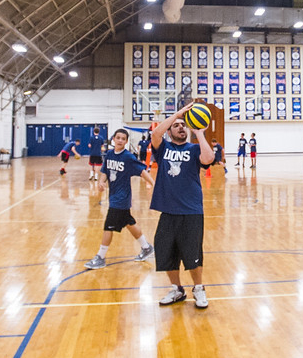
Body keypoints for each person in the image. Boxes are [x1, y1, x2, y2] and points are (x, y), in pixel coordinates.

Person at [148, 103, 214, 309]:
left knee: (193, 252)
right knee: (166, 252)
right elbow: (155, 135)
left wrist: (199, 133)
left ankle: (199, 288)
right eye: (176, 125)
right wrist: (178, 114)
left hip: (192, 210)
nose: (180, 127)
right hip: (168, 210)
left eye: (183, 125)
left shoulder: (194, 149)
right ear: (169, 130)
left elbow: (209, 159)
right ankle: (177, 289)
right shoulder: (163, 148)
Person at [83, 128, 157, 270]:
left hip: (121, 199)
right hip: (113, 196)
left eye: (123, 139)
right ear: (113, 139)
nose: (120, 140)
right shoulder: (110, 154)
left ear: (126, 141)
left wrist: (153, 183)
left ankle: (100, 257)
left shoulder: (128, 157)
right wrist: (101, 182)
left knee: (108, 226)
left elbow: (141, 171)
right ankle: (146, 247)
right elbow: (105, 171)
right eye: (118, 138)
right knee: (128, 222)